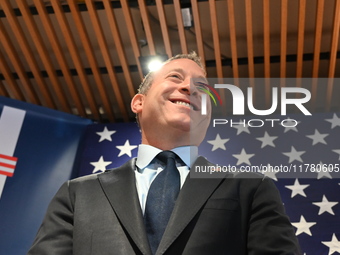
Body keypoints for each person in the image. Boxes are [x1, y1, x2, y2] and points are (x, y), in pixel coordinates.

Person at [27, 52, 301, 255]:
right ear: (139, 102)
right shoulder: (77, 195)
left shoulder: (252, 188)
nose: (190, 88)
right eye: (175, 77)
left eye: (202, 88)